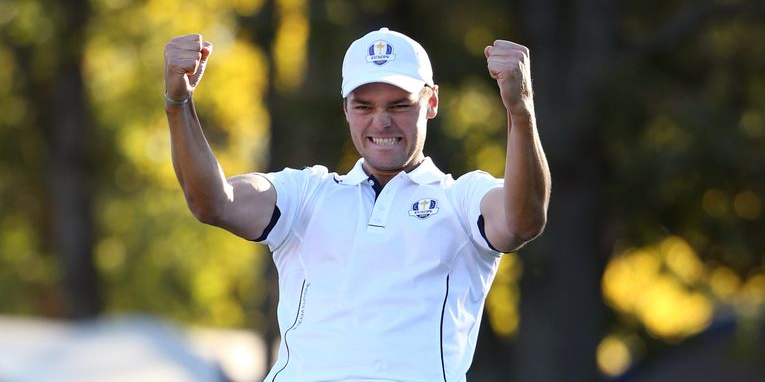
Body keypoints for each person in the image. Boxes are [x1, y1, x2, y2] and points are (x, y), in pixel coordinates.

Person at [163, 27, 551, 382]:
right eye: (364, 106)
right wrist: (178, 103)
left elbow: (522, 221)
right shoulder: (307, 193)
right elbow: (212, 202)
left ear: (431, 102)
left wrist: (520, 110)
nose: (380, 122)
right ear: (345, 108)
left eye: (399, 105)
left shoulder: (461, 198)